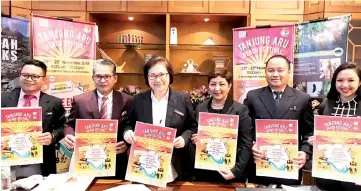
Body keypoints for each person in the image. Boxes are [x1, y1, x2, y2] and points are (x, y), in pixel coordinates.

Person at [123, 56, 197, 181]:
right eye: (152, 75)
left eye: (162, 74)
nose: (157, 79)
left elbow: (192, 127)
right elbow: (128, 124)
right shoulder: (138, 100)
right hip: (144, 165)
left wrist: (184, 139)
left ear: (169, 75)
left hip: (175, 166)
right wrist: (127, 132)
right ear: (147, 78)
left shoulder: (182, 99)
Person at [244, 55, 314, 186]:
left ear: (289, 72)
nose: (275, 74)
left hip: (289, 165)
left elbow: (309, 132)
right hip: (260, 163)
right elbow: (246, 129)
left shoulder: (302, 98)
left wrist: (305, 152)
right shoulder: (252, 96)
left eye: (280, 70)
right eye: (271, 70)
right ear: (265, 72)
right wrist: (251, 145)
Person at [63, 59, 133, 179]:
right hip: (87, 159)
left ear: (115, 78)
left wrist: (126, 144)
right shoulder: (80, 100)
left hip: (117, 160)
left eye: (107, 76)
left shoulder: (127, 100)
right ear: (93, 78)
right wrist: (69, 135)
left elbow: (130, 125)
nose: (102, 80)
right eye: (98, 76)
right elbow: (69, 124)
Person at [1, 59, 66, 178]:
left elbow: (63, 127)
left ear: (44, 79)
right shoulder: (3, 99)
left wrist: (52, 136)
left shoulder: (53, 102)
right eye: (25, 75)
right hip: (6, 161)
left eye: (35, 76)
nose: (29, 79)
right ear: (20, 76)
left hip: (40, 162)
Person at [189, 68, 253, 182]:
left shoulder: (240, 110)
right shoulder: (200, 108)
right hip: (204, 171)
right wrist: (195, 138)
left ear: (229, 86)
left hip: (230, 171)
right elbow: (194, 132)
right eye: (213, 84)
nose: (217, 88)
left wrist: (236, 171)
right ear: (208, 86)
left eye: (222, 84)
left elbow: (246, 144)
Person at [309, 62, 361, 191]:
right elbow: (316, 133)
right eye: (340, 80)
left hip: (356, 175)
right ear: (334, 82)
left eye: (351, 80)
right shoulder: (325, 105)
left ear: (359, 82)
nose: (345, 85)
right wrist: (314, 140)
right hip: (327, 173)